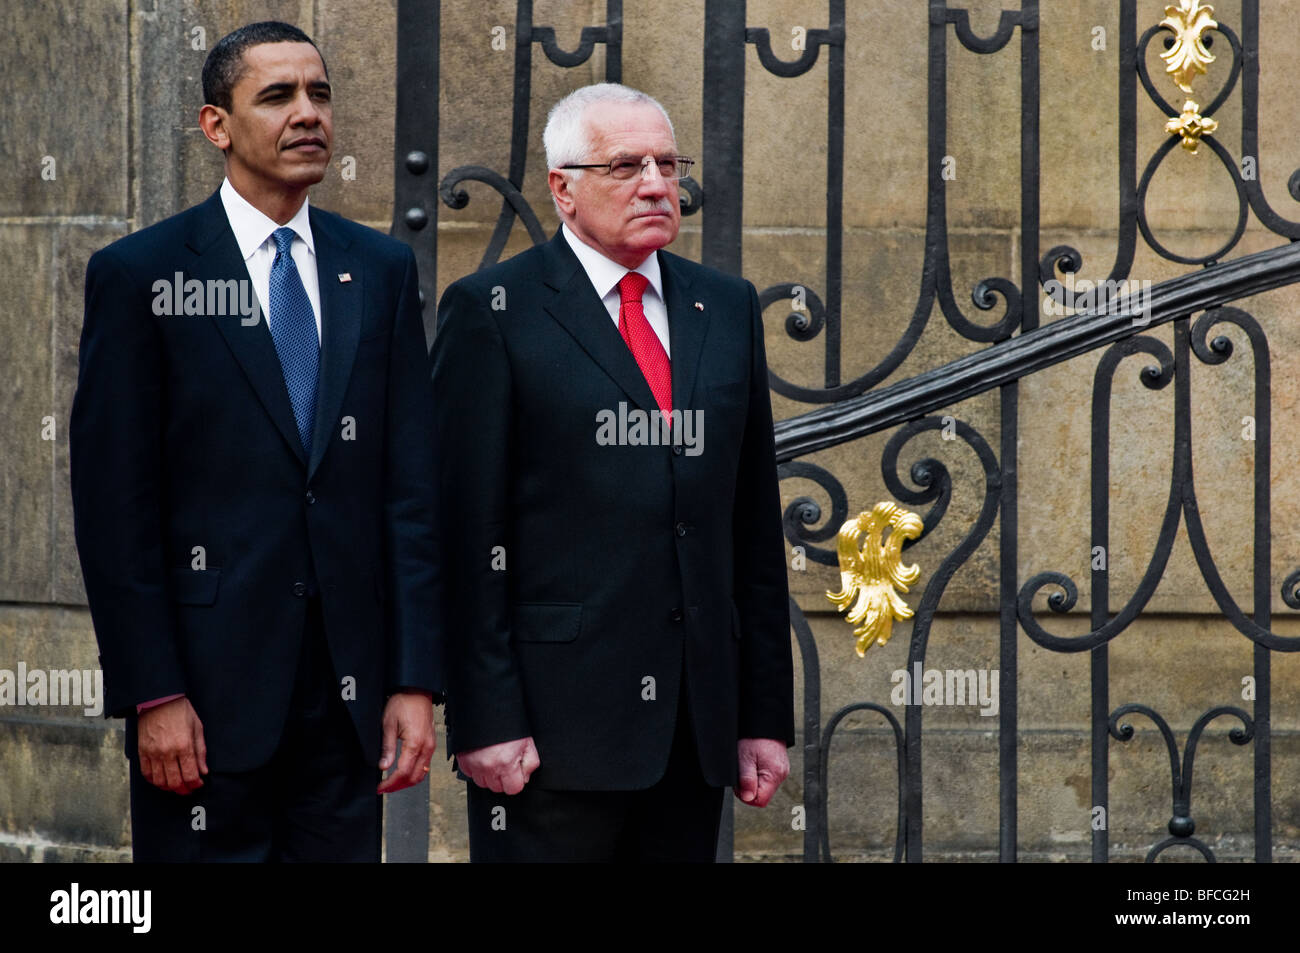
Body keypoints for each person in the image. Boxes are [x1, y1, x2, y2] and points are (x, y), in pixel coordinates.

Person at [69, 21, 442, 862]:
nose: (307, 113)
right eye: (277, 96)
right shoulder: (142, 275)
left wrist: (414, 679)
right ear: (217, 125)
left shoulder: (377, 271)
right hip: (203, 700)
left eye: (319, 94)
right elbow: (113, 507)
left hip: (346, 703)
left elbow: (410, 492)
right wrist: (153, 690)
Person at [432, 83, 794, 862]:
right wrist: (484, 715)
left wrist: (760, 713)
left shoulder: (724, 307)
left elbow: (751, 527)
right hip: (549, 735)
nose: (658, 184)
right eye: (627, 165)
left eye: (668, 163)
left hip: (691, 731)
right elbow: (465, 533)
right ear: (563, 188)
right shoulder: (493, 310)